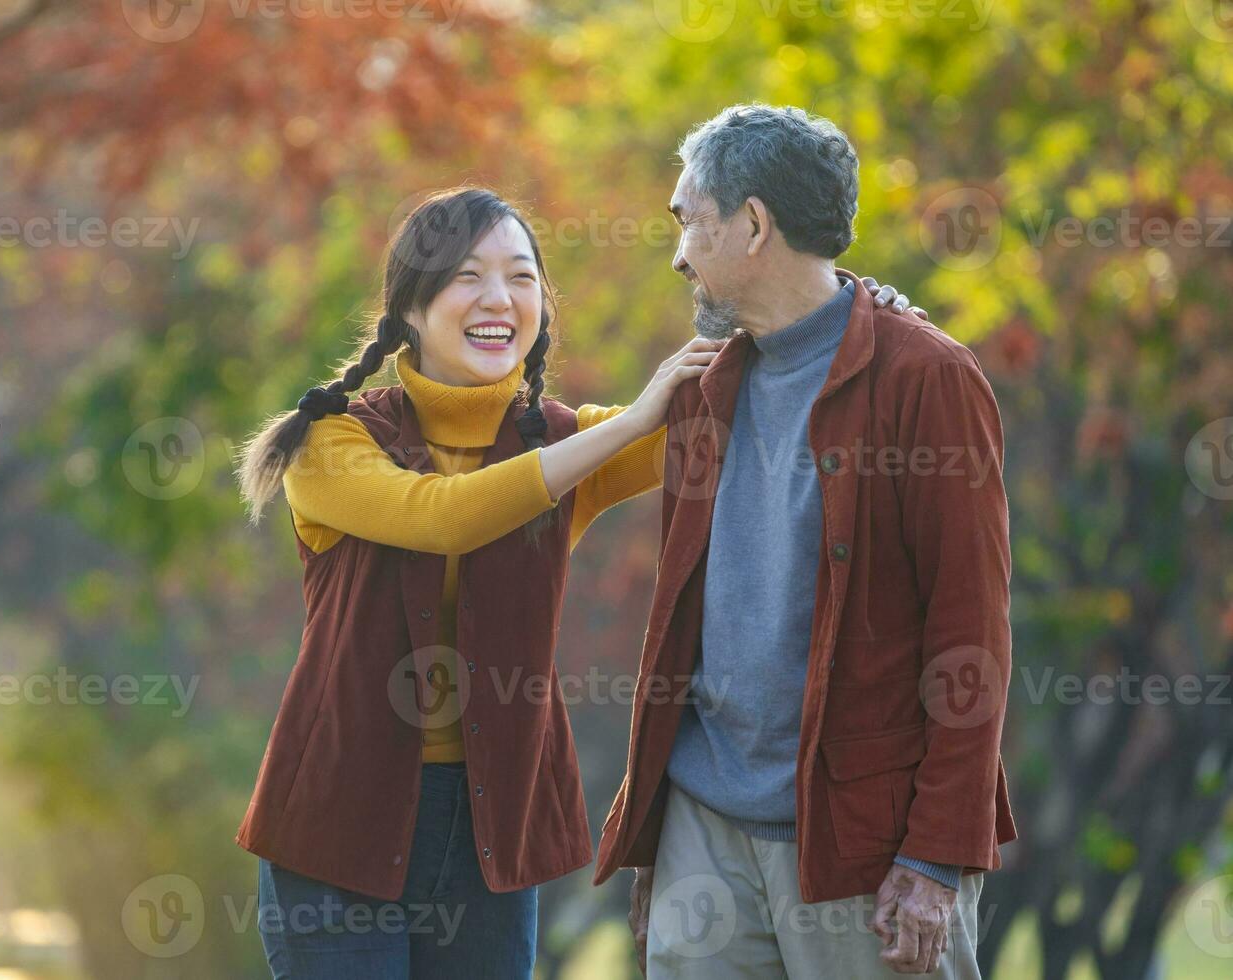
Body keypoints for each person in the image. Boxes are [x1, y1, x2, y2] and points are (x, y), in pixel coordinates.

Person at [233, 186, 923, 979]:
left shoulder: (562, 444)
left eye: (521, 278)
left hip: (493, 831)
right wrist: (629, 423)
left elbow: (744, 399)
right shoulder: (332, 442)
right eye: (467, 276)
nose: (499, 299)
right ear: (410, 310)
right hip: (334, 826)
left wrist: (855, 312)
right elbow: (442, 516)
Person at [592, 104, 1017, 979]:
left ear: (753, 225)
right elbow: (679, 623)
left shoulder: (927, 379)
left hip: (862, 846)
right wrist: (656, 845)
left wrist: (938, 856)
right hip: (700, 833)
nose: (676, 254)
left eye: (688, 222)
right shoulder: (702, 385)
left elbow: (971, 633)